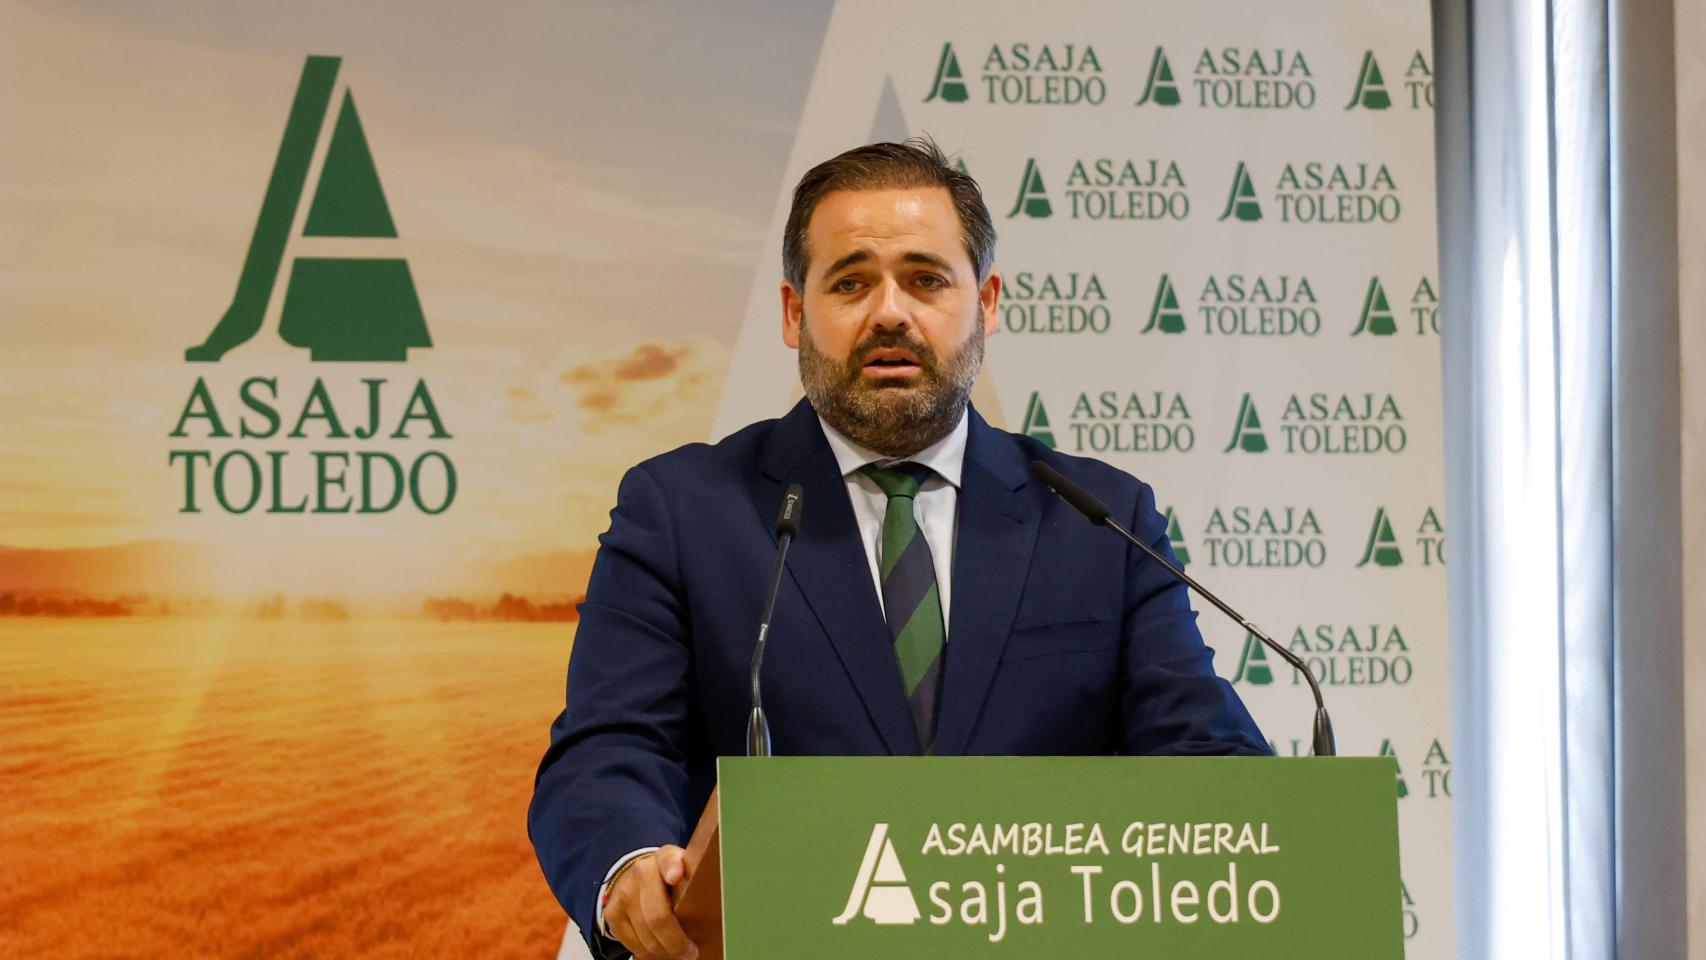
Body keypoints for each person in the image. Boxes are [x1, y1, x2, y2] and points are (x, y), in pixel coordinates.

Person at [529, 138, 1269, 960]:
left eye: (926, 280)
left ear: (985, 303)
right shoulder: (682, 509)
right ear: (792, 312)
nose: (889, 313)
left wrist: (1259, 839)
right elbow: (610, 746)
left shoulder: (1098, 518)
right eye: (850, 282)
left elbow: (1203, 749)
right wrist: (630, 864)